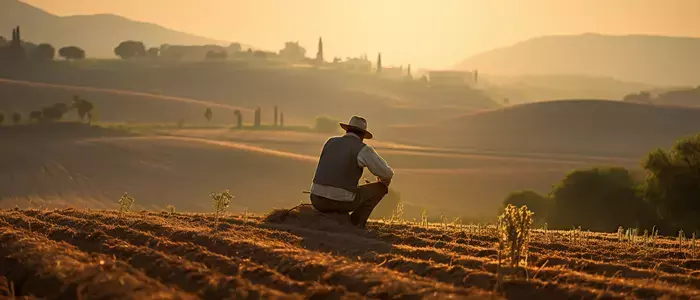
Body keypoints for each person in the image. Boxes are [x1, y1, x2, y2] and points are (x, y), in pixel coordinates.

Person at [309, 116, 394, 228]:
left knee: (345, 193)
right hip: (340, 201)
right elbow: (387, 173)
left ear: (347, 130)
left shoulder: (330, 142)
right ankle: (356, 223)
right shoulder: (362, 149)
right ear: (363, 135)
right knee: (380, 188)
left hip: (316, 199)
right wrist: (381, 181)